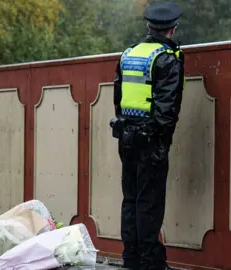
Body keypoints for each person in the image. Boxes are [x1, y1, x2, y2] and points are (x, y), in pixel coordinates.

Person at [110, 2, 185, 270]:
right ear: (172, 29)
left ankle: (131, 259)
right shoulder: (167, 59)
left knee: (130, 200)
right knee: (149, 203)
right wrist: (161, 140)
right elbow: (167, 111)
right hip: (151, 141)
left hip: (126, 136)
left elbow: (118, 100)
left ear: (148, 26)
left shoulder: (128, 54)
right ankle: (151, 262)